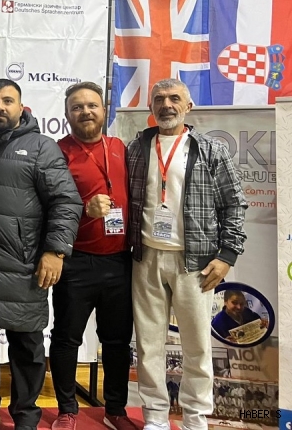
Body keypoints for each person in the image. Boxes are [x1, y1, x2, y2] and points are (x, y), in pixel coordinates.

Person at [0, 79, 82, 430]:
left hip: (22, 266)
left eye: (8, 100)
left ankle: (25, 415)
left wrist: (55, 251)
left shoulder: (41, 147)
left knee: (26, 344)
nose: (0, 107)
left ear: (21, 107)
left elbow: (66, 201)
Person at [127, 78, 247, 430]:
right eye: (159, 99)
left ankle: (195, 418)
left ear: (188, 106)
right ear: (150, 107)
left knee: (197, 346)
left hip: (195, 263)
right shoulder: (137, 147)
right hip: (146, 258)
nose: (166, 105)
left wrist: (227, 255)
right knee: (148, 344)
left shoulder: (210, 149)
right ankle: (155, 417)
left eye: (174, 98)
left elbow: (235, 203)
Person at [50, 82, 137, 430]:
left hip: (120, 261)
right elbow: (48, 205)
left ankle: (115, 409)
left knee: (117, 341)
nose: (85, 111)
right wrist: (85, 209)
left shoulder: (120, 148)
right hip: (76, 261)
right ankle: (67, 410)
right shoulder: (57, 153)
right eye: (77, 107)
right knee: (66, 338)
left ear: (104, 110)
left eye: (92, 105)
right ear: (67, 114)